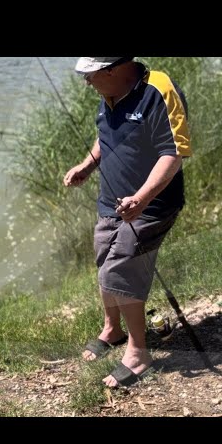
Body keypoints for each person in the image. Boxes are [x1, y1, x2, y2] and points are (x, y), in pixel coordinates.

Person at [63, 57, 192, 387]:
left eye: (90, 75)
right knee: (104, 260)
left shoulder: (158, 91)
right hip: (112, 204)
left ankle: (138, 353)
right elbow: (106, 137)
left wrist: (143, 198)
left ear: (114, 69)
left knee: (119, 268)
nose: (86, 82)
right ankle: (113, 329)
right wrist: (87, 166)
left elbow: (173, 153)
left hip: (151, 206)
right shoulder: (108, 94)